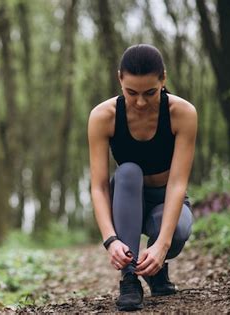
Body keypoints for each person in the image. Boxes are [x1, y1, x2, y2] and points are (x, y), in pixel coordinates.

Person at [88, 44, 197, 311]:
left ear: (163, 79)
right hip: (125, 198)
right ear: (119, 80)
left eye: (150, 92)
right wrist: (110, 240)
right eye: (131, 92)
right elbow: (100, 187)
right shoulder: (103, 117)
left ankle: (153, 268)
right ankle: (129, 279)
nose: (140, 101)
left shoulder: (182, 114)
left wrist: (161, 245)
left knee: (179, 230)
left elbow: (178, 183)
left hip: (165, 199)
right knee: (127, 171)